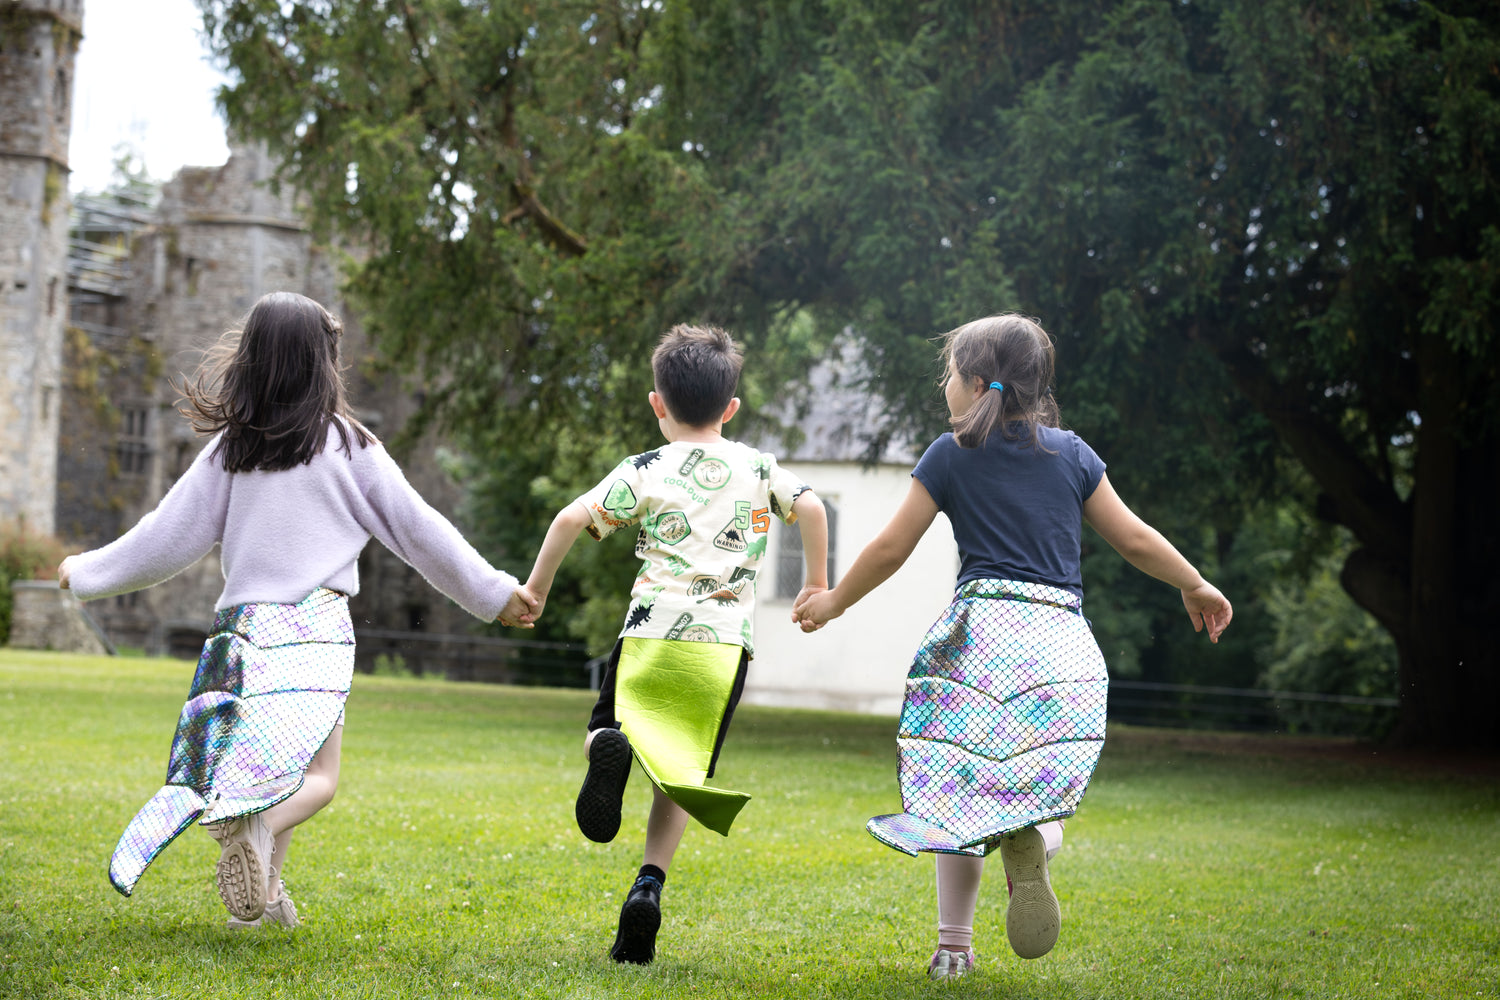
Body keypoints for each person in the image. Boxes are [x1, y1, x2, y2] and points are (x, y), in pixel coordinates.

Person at [59, 291, 536, 930]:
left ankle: (260, 905)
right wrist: (495, 593)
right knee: (315, 776)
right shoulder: (350, 446)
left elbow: (165, 536)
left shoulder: (233, 449)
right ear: (323, 366)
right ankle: (258, 825)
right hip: (313, 629)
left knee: (267, 764)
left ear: (253, 362)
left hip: (241, 637)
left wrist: (84, 572)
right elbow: (421, 531)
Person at [793, 313, 1231, 980]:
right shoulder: (1073, 455)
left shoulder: (950, 454)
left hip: (979, 635)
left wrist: (833, 600)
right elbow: (1135, 537)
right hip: (1057, 640)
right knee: (1042, 782)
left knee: (953, 784)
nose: (945, 385)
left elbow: (889, 548)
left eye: (947, 374)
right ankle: (1038, 839)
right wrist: (1194, 583)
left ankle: (953, 950)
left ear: (973, 384)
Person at [520, 324, 828, 964]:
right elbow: (816, 508)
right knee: (679, 773)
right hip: (721, 648)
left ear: (658, 404)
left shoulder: (646, 469)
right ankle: (648, 887)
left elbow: (570, 516)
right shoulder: (759, 467)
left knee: (610, 729)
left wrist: (536, 589)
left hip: (649, 633)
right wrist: (816, 584)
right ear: (732, 408)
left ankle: (609, 748)